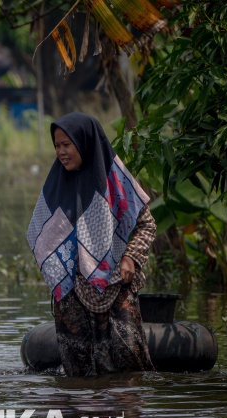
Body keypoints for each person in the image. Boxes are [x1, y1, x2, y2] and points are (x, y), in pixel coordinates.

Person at [27, 112, 157, 376]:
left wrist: (130, 257)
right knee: (78, 369)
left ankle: (125, 416)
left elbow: (146, 225)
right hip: (72, 292)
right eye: (56, 146)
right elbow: (40, 236)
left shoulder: (115, 180)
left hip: (116, 287)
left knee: (127, 362)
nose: (61, 152)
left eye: (67, 145)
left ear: (84, 142)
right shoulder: (56, 185)